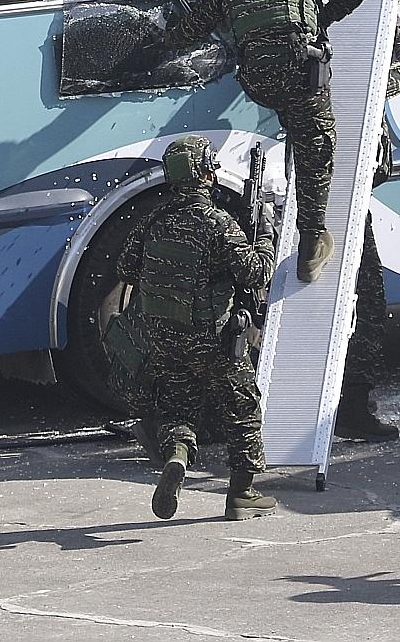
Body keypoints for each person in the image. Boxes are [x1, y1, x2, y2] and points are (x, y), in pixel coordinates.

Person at [170, 0, 366, 281]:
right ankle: (311, 246)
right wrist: (322, 18)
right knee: (315, 156)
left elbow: (185, 34)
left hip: (260, 86)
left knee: (291, 118)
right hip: (303, 79)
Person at [118, 135, 279, 521]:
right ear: (206, 173)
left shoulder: (152, 220)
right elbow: (255, 272)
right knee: (241, 408)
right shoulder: (218, 223)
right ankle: (243, 494)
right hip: (215, 338)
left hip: (165, 335)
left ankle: (176, 455)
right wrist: (266, 237)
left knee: (178, 404)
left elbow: (126, 269)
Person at [335, 24, 400, 442]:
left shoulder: (299, 76)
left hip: (309, 198)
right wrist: (383, 16)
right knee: (366, 306)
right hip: (345, 205)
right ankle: (352, 406)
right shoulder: (362, 83)